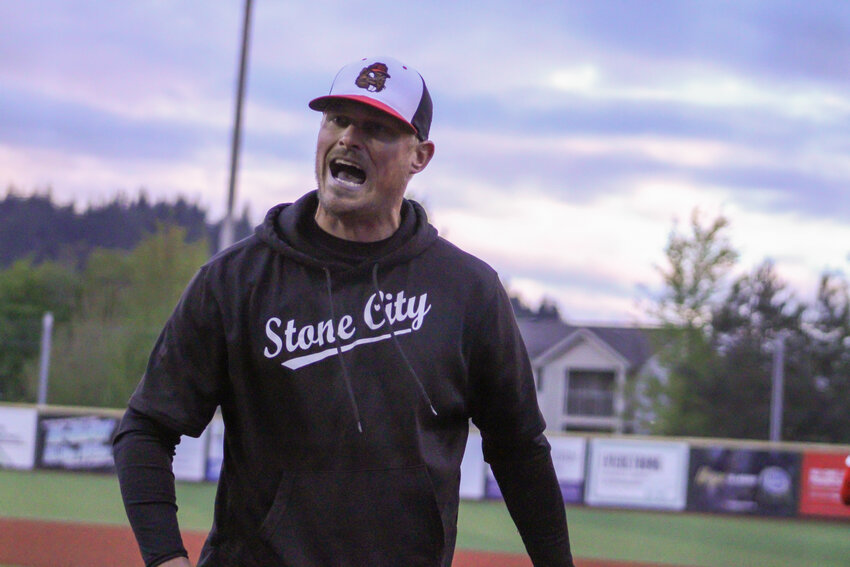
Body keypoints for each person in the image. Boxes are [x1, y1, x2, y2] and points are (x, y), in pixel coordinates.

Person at [113, 56, 574, 567]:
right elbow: (146, 429)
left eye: (376, 129)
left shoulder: (467, 291)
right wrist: (165, 559)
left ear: (420, 156)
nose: (349, 138)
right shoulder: (236, 280)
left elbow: (519, 449)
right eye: (337, 120)